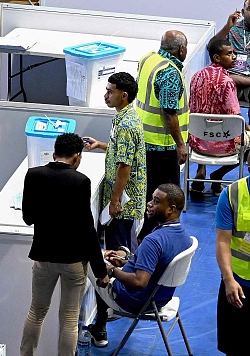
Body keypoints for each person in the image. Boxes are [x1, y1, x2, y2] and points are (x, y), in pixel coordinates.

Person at [20, 133, 108, 356]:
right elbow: (87, 230)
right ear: (77, 157)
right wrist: (100, 270)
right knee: (69, 319)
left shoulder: (33, 175)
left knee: (36, 312)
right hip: (73, 261)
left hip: (43, 256)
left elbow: (28, 217)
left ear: (54, 152)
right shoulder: (81, 181)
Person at [81, 71, 147, 348]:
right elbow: (122, 153)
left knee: (116, 258)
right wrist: (102, 146)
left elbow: (125, 166)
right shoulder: (124, 118)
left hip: (124, 204)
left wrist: (116, 200)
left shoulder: (128, 124)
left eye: (110, 91)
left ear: (124, 95)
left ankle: (104, 320)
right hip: (123, 200)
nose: (105, 95)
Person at [95, 185, 192, 340]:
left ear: (171, 209)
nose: (149, 203)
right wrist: (126, 259)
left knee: (92, 264)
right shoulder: (184, 237)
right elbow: (156, 264)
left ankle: (98, 329)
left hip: (133, 301)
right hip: (160, 299)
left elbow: (140, 282)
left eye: (156, 201)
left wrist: (111, 270)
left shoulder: (154, 240)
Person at [135, 30, 190, 208]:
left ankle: (146, 233)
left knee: (149, 191)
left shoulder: (148, 59)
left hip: (143, 138)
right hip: (162, 147)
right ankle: (161, 233)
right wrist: (181, 145)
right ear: (181, 49)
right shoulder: (169, 73)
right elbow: (169, 112)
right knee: (165, 199)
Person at [188, 38, 243, 193]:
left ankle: (201, 170)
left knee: (202, 122)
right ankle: (218, 176)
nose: (234, 57)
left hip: (197, 143)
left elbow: (191, 107)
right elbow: (236, 117)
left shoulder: (196, 77)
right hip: (222, 143)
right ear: (217, 57)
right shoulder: (227, 82)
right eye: (230, 53)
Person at [215, 174, 250, 355]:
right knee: (235, 346)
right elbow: (222, 241)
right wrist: (228, 280)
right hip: (238, 284)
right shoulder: (232, 194)